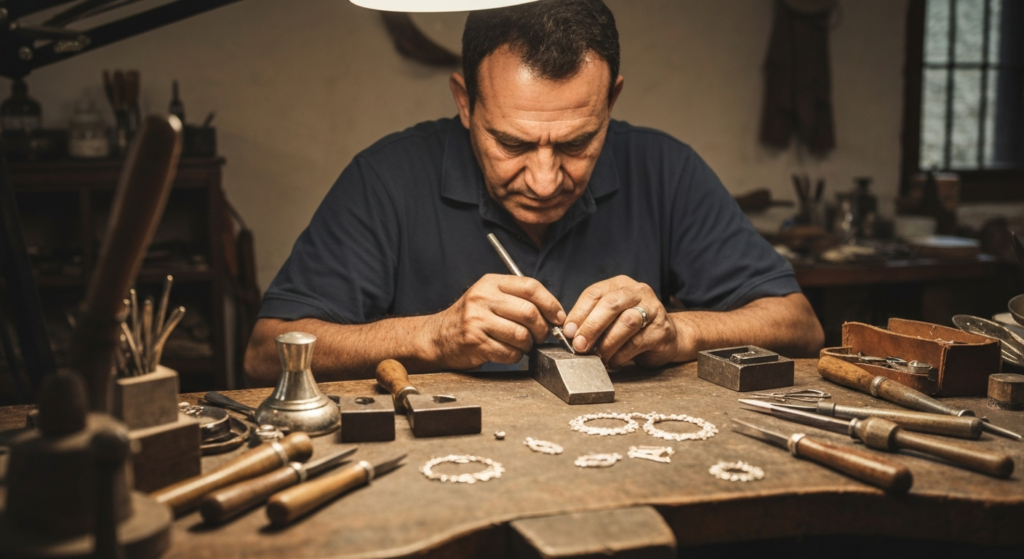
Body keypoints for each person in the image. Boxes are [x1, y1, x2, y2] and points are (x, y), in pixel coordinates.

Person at [244, 0, 823, 386]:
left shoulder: (664, 167)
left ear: (611, 101)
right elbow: (266, 354)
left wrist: (680, 331)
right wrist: (432, 335)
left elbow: (799, 326)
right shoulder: (385, 178)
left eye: (576, 143)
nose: (546, 181)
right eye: (512, 144)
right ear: (464, 102)